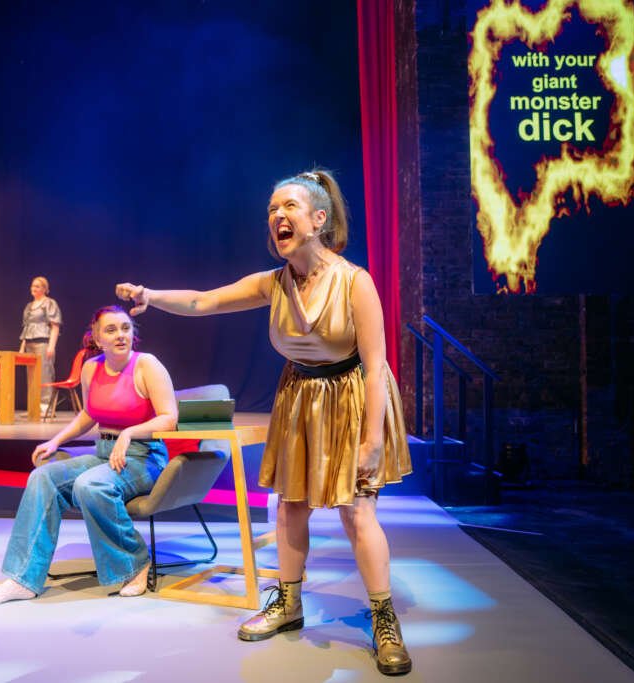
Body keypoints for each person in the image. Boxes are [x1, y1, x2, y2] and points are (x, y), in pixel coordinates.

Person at [115, 169, 413, 675]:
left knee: (357, 513)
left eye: (289, 207)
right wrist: (151, 296)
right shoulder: (273, 283)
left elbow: (377, 363)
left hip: (353, 396)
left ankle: (384, 620)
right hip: (299, 395)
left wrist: (372, 438)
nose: (277, 216)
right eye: (272, 209)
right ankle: (288, 603)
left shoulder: (354, 282)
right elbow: (203, 301)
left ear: (319, 219)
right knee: (290, 505)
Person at [0, 305, 177, 606]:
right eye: (111, 330)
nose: (120, 335)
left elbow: (169, 418)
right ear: (96, 337)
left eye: (125, 327)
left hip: (144, 455)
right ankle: (23, 578)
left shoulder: (147, 365)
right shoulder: (91, 368)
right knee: (43, 476)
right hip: (104, 453)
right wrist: (56, 440)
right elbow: (89, 414)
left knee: (90, 485)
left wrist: (129, 433)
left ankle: (135, 563)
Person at [19, 276, 62, 414]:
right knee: (31, 375)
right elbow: (26, 327)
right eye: (33, 286)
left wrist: (51, 346)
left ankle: (45, 407)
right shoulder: (29, 306)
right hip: (29, 343)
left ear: (44, 289)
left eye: (37, 286)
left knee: (44, 374)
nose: (34, 288)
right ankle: (33, 407)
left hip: (43, 342)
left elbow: (55, 326)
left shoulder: (49, 303)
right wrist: (21, 347)